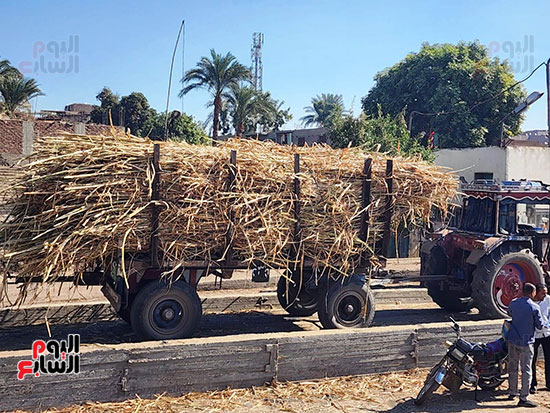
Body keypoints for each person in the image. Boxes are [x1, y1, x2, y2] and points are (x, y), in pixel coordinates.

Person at [507, 282, 543, 408]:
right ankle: (523, 397)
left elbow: (509, 314)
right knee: (526, 369)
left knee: (512, 367)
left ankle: (512, 391)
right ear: (533, 293)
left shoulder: (514, 303)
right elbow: (540, 325)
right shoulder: (534, 307)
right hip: (526, 342)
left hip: (513, 340)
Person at [531, 283, 550, 393]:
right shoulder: (530, 303)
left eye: (546, 293)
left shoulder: (548, 300)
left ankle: (549, 383)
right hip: (534, 335)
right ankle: (533, 384)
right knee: (532, 360)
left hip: (547, 333)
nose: (544, 295)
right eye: (542, 293)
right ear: (536, 293)